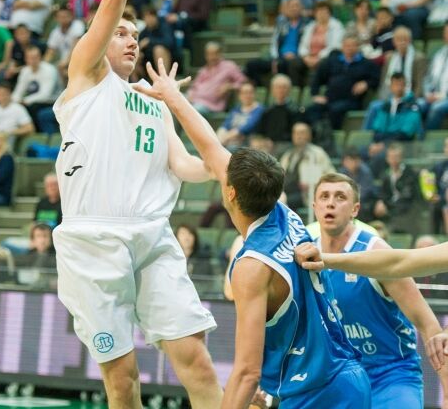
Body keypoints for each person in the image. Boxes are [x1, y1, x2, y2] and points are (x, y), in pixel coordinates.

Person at [50, 0, 222, 408]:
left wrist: (220, 165)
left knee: (195, 359)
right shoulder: (85, 77)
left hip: (151, 236)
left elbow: (186, 168)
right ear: (99, 40)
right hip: (93, 242)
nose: (131, 39)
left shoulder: (154, 100)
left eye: (136, 35)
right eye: (121, 31)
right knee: (122, 381)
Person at [135, 60, 371, 408]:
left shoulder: (252, 265)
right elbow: (209, 144)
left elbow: (247, 372)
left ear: (230, 193)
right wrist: (171, 97)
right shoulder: (285, 212)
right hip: (347, 378)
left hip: (317, 393)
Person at [310, 172, 447, 405]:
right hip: (338, 377)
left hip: (391, 374)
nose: (331, 202)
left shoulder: (376, 250)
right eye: (324, 196)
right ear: (314, 207)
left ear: (355, 209)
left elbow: (428, 325)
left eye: (340, 196)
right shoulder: (304, 255)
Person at [306, 35, 380, 129]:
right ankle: (316, 133)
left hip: (351, 101)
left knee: (335, 110)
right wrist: (315, 95)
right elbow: (317, 78)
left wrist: (366, 83)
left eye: (353, 45)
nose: (349, 48)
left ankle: (330, 137)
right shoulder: (331, 61)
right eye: (347, 45)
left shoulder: (367, 64)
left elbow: (376, 79)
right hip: (329, 99)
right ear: (342, 47)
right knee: (311, 110)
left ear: (358, 47)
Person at [244, 0, 310, 87]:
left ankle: (293, 92)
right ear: (287, 8)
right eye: (291, 6)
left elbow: (307, 44)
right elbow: (274, 43)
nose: (294, 8)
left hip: (297, 58)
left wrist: (296, 55)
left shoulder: (307, 24)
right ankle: (261, 90)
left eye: (297, 5)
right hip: (279, 58)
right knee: (251, 65)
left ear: (301, 8)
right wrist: (275, 58)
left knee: (288, 64)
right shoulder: (281, 23)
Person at [280, 122, 334, 210]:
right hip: (286, 192)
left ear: (309, 135)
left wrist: (315, 184)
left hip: (306, 193)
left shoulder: (317, 153)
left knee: (283, 202)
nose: (299, 136)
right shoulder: (288, 155)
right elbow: (280, 175)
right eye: (296, 133)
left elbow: (330, 175)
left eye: (302, 133)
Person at [373, 143, 424, 235]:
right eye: (391, 157)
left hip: (406, 209)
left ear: (402, 157)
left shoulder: (410, 173)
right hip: (391, 208)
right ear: (387, 159)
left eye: (396, 157)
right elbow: (383, 193)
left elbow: (410, 196)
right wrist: (380, 201)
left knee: (399, 213)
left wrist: (389, 207)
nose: (394, 160)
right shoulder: (385, 175)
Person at [187, 42, 246, 114]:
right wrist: (190, 94)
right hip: (194, 99)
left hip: (210, 105)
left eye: (215, 53)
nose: (212, 57)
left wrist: (229, 86)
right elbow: (194, 86)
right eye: (209, 54)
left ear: (220, 54)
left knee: (191, 111)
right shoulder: (204, 70)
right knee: (174, 103)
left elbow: (243, 82)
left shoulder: (229, 66)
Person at [296, 1, 345, 85]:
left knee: (326, 63)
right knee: (294, 63)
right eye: (319, 11)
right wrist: (305, 57)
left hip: (326, 57)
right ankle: (297, 89)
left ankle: (318, 88)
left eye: (324, 11)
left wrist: (318, 57)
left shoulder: (337, 26)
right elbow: (303, 44)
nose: (321, 14)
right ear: (315, 14)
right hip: (309, 57)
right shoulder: (310, 26)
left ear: (329, 13)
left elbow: (335, 46)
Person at [11, 45, 59, 130]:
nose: (33, 60)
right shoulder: (25, 71)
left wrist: (25, 101)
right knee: (15, 108)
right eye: (30, 58)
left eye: (35, 57)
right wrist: (15, 101)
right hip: (33, 102)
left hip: (52, 101)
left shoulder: (49, 70)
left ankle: (36, 133)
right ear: (26, 59)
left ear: (40, 57)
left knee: (32, 108)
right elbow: (18, 90)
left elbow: (45, 94)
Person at [253, 74, 300, 147]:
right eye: (277, 87)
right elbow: (260, 131)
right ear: (272, 90)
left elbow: (294, 135)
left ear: (289, 89)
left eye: (284, 87)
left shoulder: (295, 110)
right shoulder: (267, 110)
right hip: (267, 144)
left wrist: (274, 142)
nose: (280, 90)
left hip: (285, 144)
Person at [216, 82, 264, 150]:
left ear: (254, 94)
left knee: (231, 148)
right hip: (229, 140)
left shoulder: (259, 109)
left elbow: (247, 127)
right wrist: (218, 140)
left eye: (250, 92)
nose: (247, 95)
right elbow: (225, 126)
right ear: (240, 95)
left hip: (247, 143)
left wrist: (225, 138)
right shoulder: (236, 109)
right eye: (244, 93)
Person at [44, 5, 85, 79]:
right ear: (56, 18)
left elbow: (76, 47)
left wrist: (66, 62)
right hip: (64, 63)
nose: (63, 19)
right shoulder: (55, 32)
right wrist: (43, 65)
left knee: (62, 70)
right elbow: (50, 52)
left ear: (72, 16)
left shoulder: (78, 25)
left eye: (66, 16)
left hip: (80, 59)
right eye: (61, 16)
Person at [338, 148, 377, 220]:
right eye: (349, 160)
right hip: (346, 201)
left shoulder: (366, 172)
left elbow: (365, 193)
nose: (352, 163)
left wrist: (350, 200)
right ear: (344, 161)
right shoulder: (341, 173)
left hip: (363, 202)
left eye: (355, 160)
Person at [423, 22, 448, 129]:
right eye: (445, 32)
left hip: (445, 97)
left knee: (436, 108)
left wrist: (443, 96)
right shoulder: (439, 54)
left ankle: (423, 142)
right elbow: (428, 78)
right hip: (434, 95)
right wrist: (428, 93)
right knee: (417, 106)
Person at [137, 8, 175, 76]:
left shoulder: (164, 26)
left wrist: (149, 41)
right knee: (136, 55)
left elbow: (169, 42)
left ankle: (164, 78)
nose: (149, 19)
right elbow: (139, 46)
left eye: (151, 16)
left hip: (168, 59)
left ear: (156, 17)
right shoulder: (143, 32)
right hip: (148, 61)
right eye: (146, 17)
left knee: (158, 49)